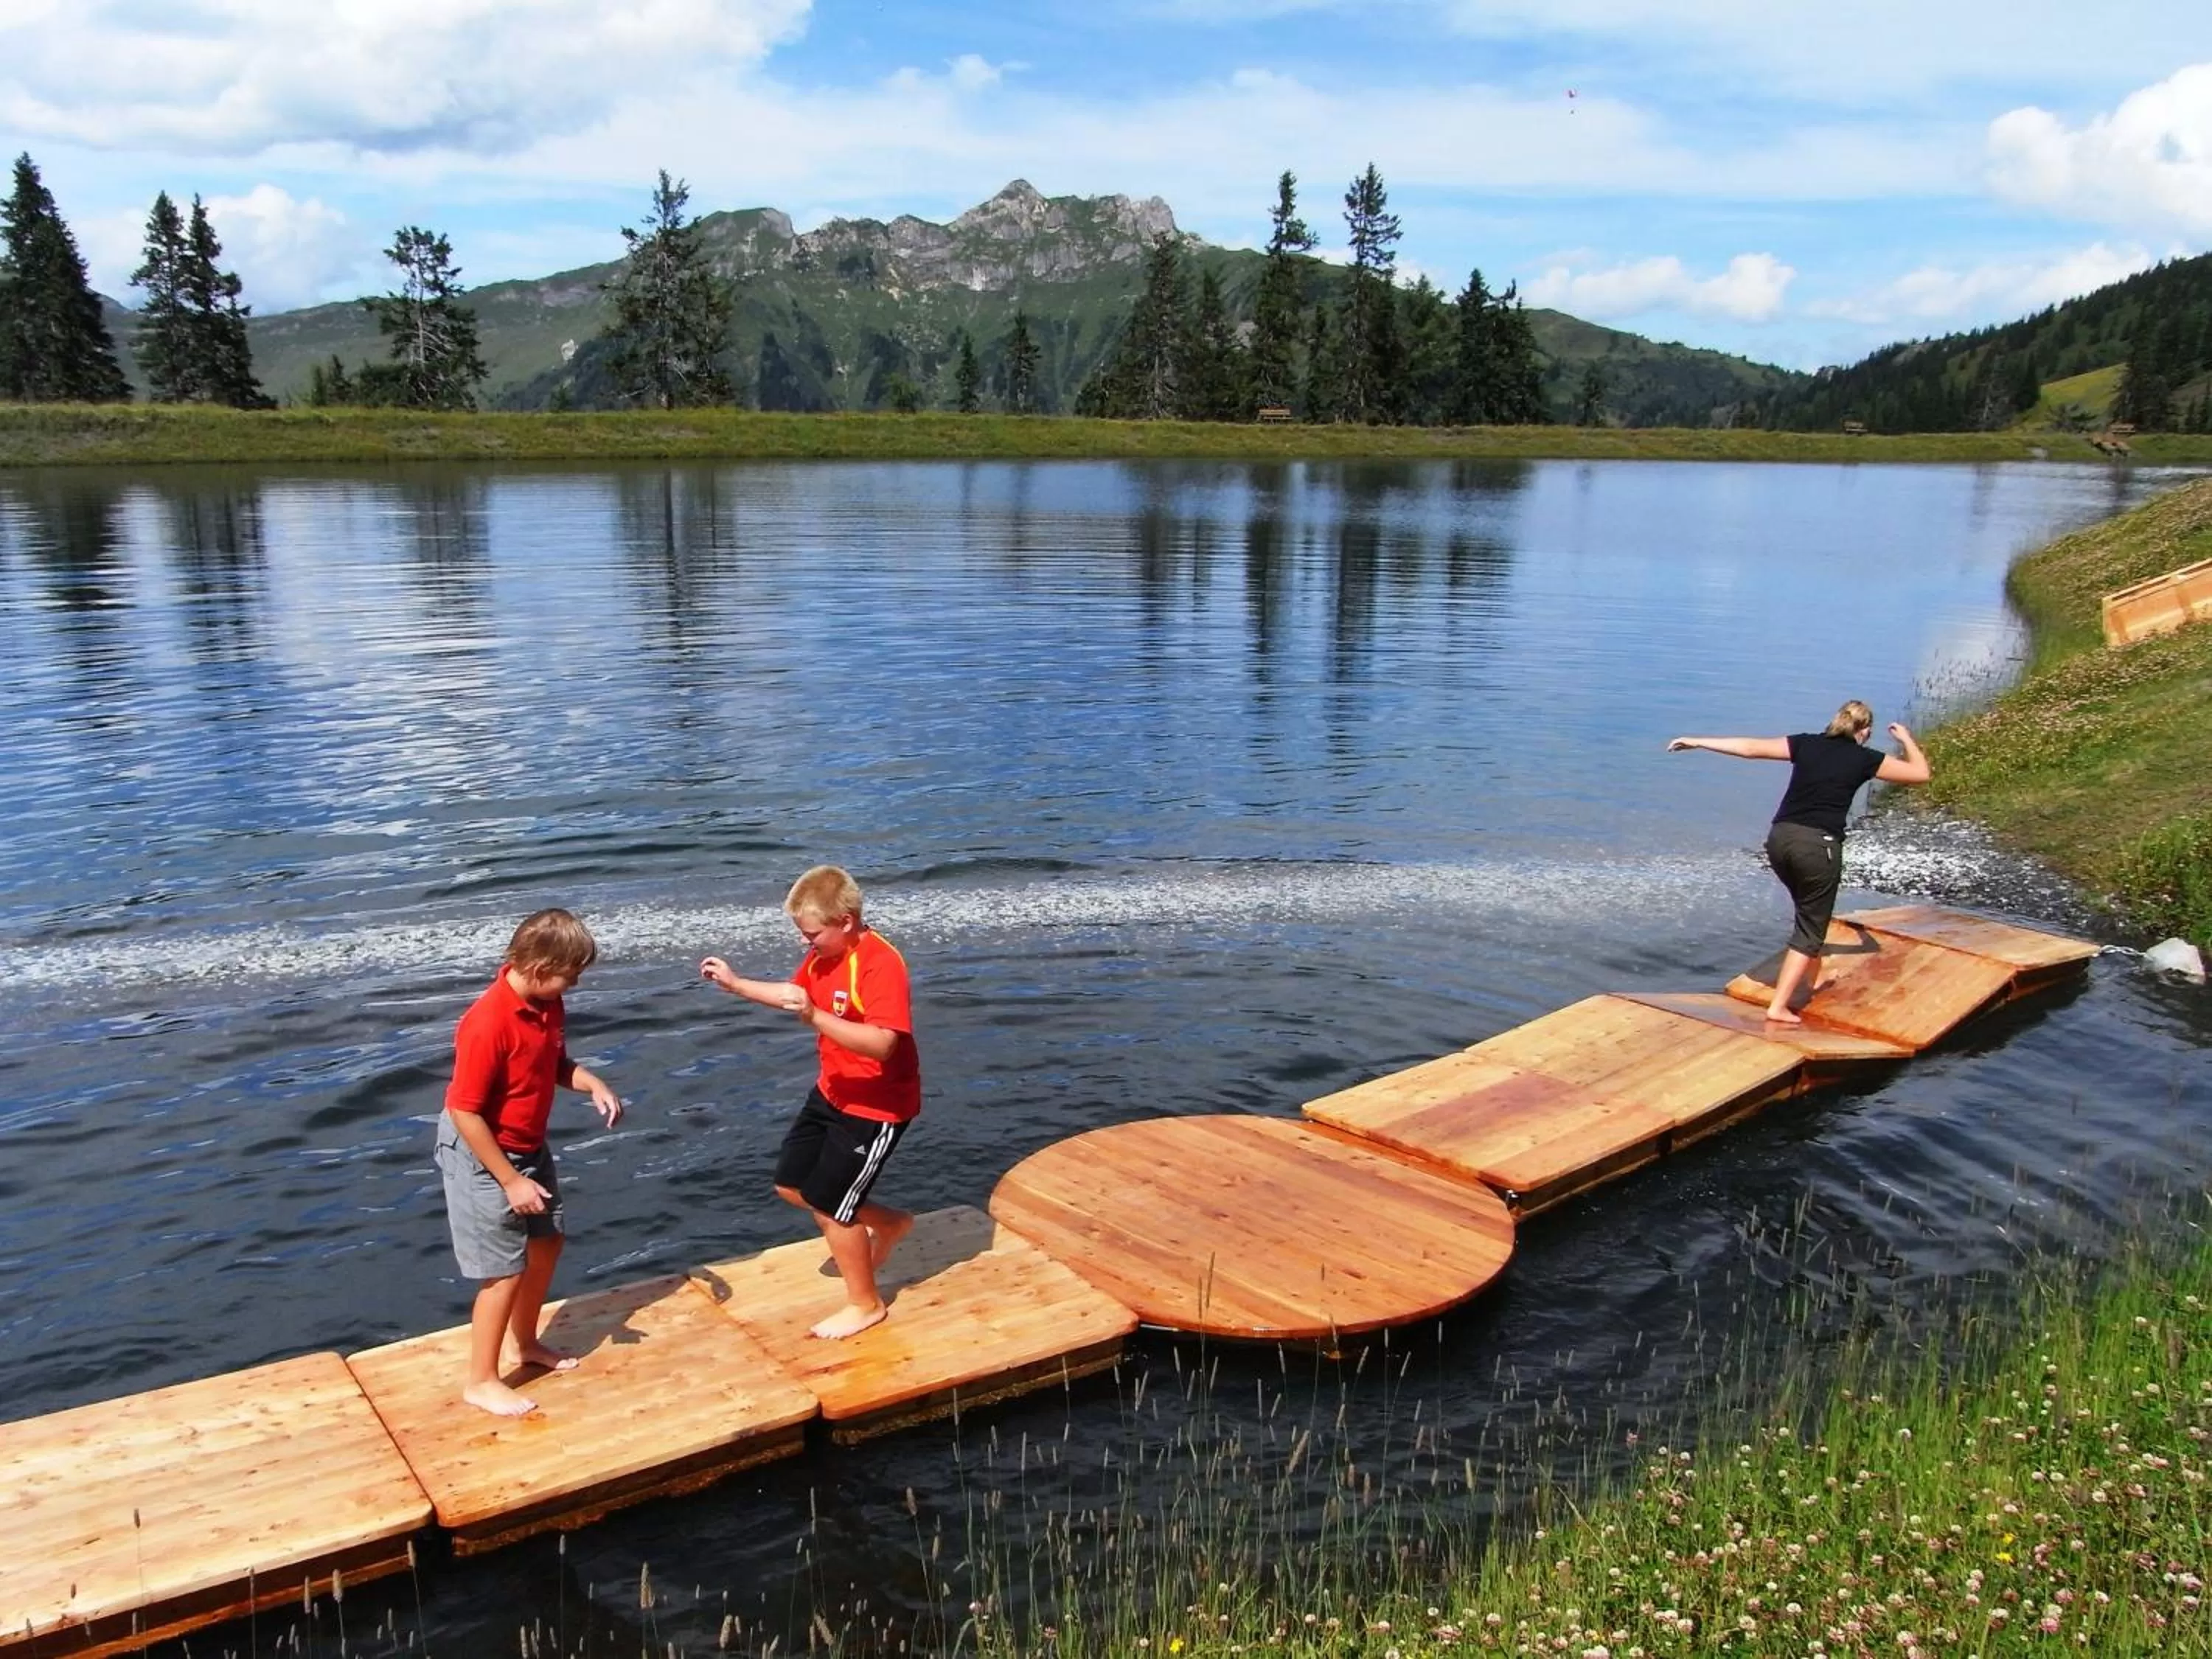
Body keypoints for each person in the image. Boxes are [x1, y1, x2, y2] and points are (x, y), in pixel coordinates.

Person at [700, 866, 920, 1340]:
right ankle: (892, 1224)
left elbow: (884, 1044)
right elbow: (792, 997)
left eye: (812, 933)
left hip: (876, 1106)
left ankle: (866, 1305)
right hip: (832, 1091)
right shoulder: (824, 956)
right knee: (792, 1184)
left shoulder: (880, 965)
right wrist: (737, 985)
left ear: (846, 920)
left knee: (831, 1204)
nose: (806, 942)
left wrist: (815, 1015)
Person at [437, 908, 624, 1416]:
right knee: (503, 1271)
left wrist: (593, 1083)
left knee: (548, 1241)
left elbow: (554, 1064)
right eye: (572, 974)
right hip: (484, 1155)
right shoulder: (487, 1023)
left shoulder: (548, 1003)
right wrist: (511, 1180)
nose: (577, 984)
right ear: (540, 969)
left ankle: (527, 1342)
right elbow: (465, 1111)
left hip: (526, 1147)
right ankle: (481, 1380)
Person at [1668, 700, 1930, 1023]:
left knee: (1809, 914)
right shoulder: (1865, 758)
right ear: (1866, 732)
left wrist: (1698, 741)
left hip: (1779, 841)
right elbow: (1921, 774)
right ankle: (1779, 1007)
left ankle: (1813, 978)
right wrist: (1905, 739)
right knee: (1810, 928)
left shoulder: (1806, 743)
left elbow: (1750, 748)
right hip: (1818, 848)